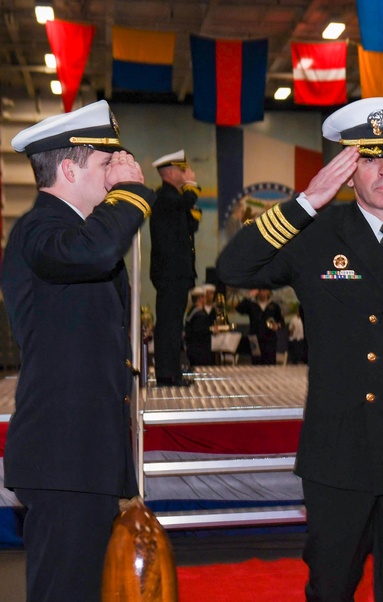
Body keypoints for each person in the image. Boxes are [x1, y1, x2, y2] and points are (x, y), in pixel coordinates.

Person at [215, 97, 383, 601]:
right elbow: (233, 268)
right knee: (332, 585)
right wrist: (306, 201)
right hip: (342, 451)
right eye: (369, 159)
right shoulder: (316, 233)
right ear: (349, 170)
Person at [1, 100, 155, 602]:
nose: (118, 172)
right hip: (62, 458)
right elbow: (93, 251)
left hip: (82, 456)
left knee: (86, 588)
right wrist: (131, 195)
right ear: (69, 169)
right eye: (105, 163)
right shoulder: (39, 229)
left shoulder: (76, 232)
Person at [150, 149, 201, 386]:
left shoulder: (173, 199)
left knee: (173, 324)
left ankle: (172, 371)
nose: (187, 173)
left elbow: (189, 224)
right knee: (169, 325)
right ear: (170, 173)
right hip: (170, 272)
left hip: (176, 273)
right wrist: (191, 184)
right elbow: (186, 203)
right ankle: (167, 374)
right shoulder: (166, 197)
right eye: (182, 170)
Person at [235, 288, 284, 365]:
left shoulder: (274, 306)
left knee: (270, 364)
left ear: (268, 291)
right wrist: (249, 296)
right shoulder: (251, 304)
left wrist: (277, 326)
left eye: (264, 289)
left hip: (269, 340)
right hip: (254, 340)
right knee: (256, 363)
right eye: (260, 290)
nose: (262, 292)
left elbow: (281, 322)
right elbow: (238, 308)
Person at [184, 286, 215, 366]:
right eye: (204, 296)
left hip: (191, 349)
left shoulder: (191, 312)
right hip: (200, 352)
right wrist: (212, 330)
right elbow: (200, 332)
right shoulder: (200, 315)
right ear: (200, 298)